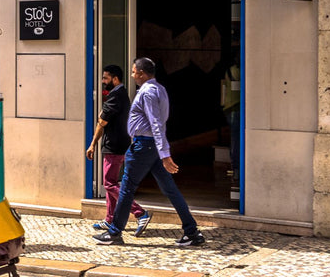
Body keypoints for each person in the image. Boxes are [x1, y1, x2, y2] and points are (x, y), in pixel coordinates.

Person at [94, 58, 205, 246]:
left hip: (143, 146)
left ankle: (114, 233)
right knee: (170, 189)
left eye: (133, 71)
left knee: (127, 188)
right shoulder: (160, 89)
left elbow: (156, 123)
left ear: (142, 73)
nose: (132, 75)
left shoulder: (148, 92)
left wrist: (165, 154)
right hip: (150, 146)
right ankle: (192, 233)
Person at [86, 64, 151, 235]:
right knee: (111, 183)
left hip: (114, 146)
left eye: (105, 78)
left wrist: (92, 143)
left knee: (109, 183)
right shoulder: (119, 95)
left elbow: (102, 122)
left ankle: (140, 213)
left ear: (115, 79)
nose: (102, 81)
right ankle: (110, 219)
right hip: (119, 144)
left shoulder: (116, 97)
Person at [221, 57, 241, 183]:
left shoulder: (229, 71)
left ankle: (236, 170)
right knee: (237, 139)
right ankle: (237, 169)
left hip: (230, 109)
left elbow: (223, 91)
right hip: (237, 108)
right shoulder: (242, 71)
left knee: (234, 139)